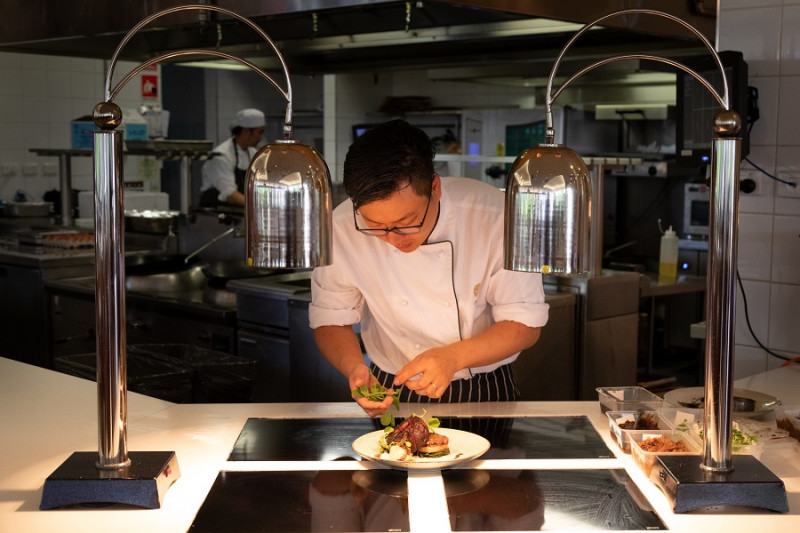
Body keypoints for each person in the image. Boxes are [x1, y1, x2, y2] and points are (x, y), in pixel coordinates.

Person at [309, 119, 549, 419]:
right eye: (375, 226)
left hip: (481, 389)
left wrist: (453, 357)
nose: (394, 239)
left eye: (407, 222)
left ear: (435, 187)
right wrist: (354, 366)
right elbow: (331, 317)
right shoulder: (340, 227)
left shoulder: (495, 215)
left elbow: (525, 324)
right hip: (389, 387)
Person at [199, 108, 266, 207]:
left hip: (238, 210)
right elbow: (230, 194)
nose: (261, 137)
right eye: (260, 132)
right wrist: (258, 208)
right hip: (216, 214)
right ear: (247, 131)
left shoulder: (253, 153)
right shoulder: (221, 156)